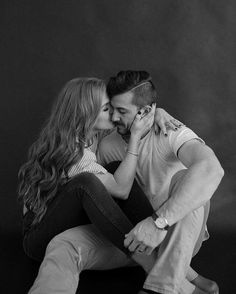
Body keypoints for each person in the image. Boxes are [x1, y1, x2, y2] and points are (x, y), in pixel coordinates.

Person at [25, 71, 223, 294]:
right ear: (86, 114)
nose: (114, 117)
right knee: (85, 190)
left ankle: (172, 280)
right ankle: (181, 282)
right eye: (108, 109)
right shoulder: (82, 151)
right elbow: (118, 190)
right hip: (51, 229)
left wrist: (157, 112)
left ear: (145, 111)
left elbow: (210, 168)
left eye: (118, 110)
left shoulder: (159, 131)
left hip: (162, 232)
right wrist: (137, 136)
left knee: (177, 178)